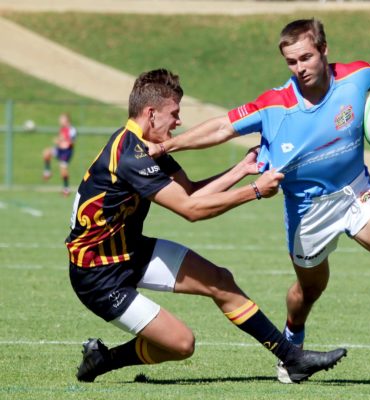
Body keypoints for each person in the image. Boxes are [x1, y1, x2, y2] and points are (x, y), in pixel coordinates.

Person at [149, 19, 370, 382]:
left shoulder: (356, 77)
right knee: (310, 289)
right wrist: (167, 145)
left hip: (357, 193)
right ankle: (292, 341)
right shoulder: (275, 105)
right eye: (291, 61)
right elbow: (222, 127)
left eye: (306, 57)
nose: (299, 68)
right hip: (308, 212)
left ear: (323, 50)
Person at [66, 68, 346, 384]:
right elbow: (191, 210)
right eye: (174, 113)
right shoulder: (131, 155)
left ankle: (292, 359)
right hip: (98, 275)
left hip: (131, 251)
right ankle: (105, 359)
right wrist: (255, 191)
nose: (179, 121)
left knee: (219, 280)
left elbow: (190, 194)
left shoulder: (148, 147)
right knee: (181, 344)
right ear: (151, 114)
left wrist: (241, 169)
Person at [43, 112, 77, 196]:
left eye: (61, 119)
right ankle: (47, 172)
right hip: (59, 150)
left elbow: (72, 142)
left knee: (63, 170)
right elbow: (61, 139)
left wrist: (63, 142)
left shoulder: (72, 130)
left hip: (66, 152)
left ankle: (66, 189)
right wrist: (58, 141)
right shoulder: (62, 129)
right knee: (46, 152)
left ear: (67, 120)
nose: (60, 120)